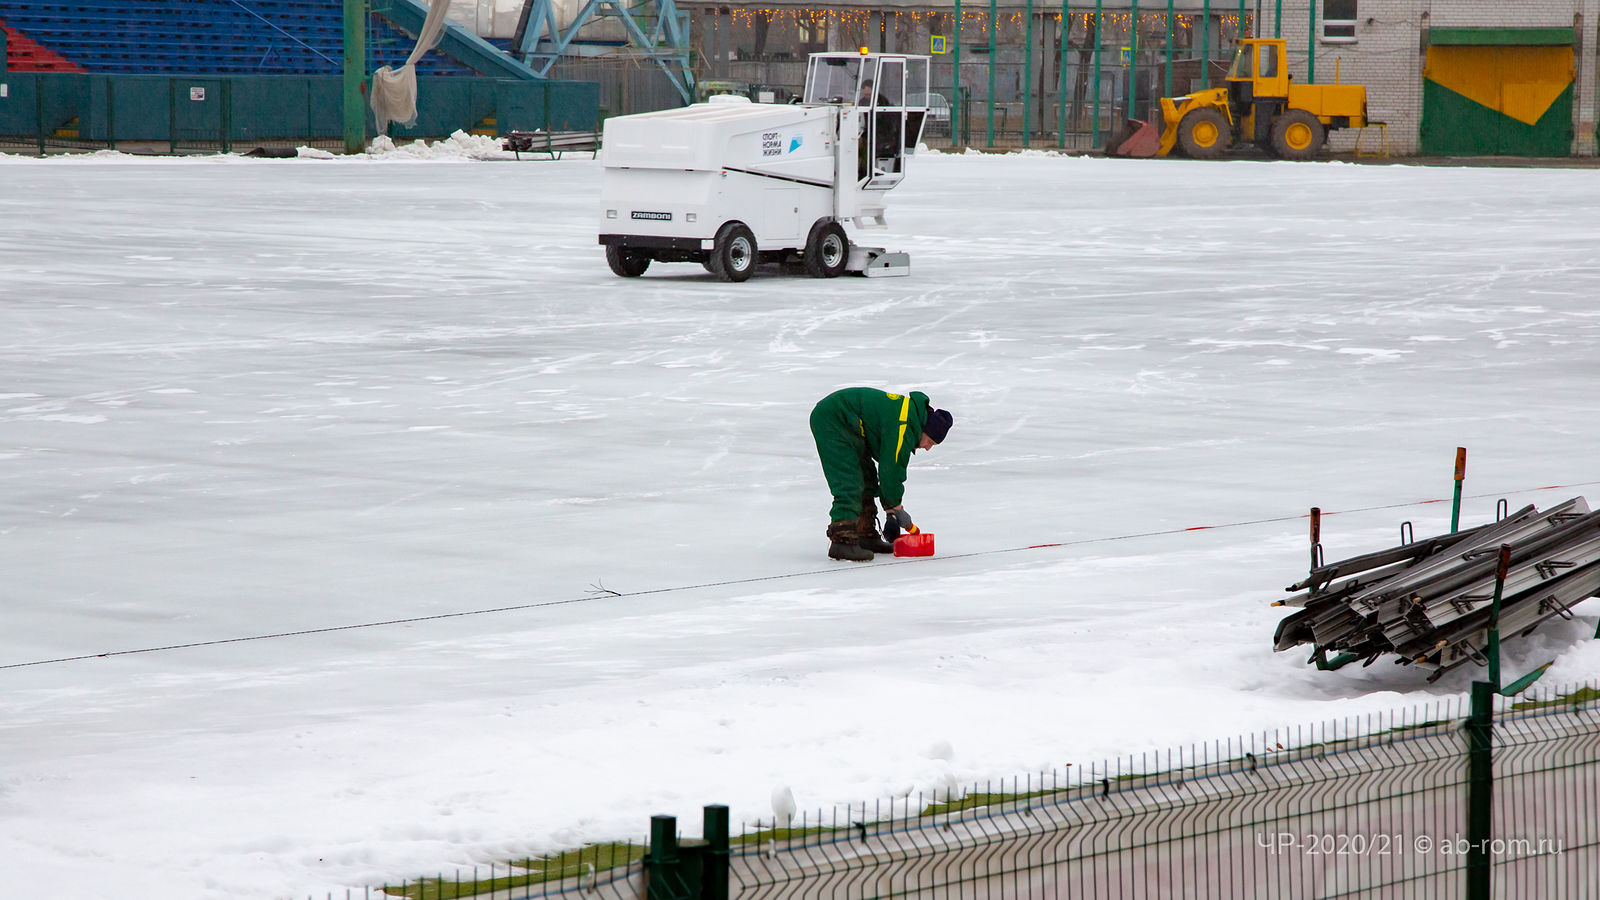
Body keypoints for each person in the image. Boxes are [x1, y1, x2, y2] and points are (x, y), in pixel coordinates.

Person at [809, 387, 954, 561]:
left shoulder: (909, 418)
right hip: (834, 417)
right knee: (849, 480)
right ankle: (842, 541)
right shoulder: (904, 425)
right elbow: (891, 469)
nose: (928, 448)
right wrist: (896, 507)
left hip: (851, 424)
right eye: (930, 441)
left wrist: (890, 510)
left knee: (866, 477)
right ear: (924, 430)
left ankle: (865, 534)